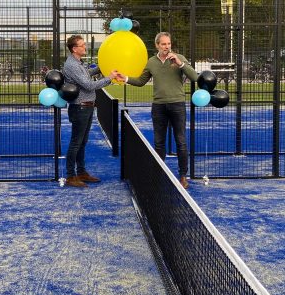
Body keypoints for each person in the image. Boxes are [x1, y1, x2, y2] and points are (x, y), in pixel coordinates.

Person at [118, 32, 198, 189]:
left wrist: (180, 63)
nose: (167, 47)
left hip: (177, 105)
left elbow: (195, 77)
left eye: (168, 44)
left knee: (180, 141)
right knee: (159, 142)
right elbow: (141, 81)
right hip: (159, 106)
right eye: (163, 44)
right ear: (157, 45)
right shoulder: (151, 62)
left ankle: (183, 176)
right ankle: (159, 174)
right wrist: (125, 78)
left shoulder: (179, 58)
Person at [63, 34, 119, 188]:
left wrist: (102, 67)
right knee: (76, 143)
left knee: (82, 142)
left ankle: (81, 172)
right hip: (80, 107)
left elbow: (87, 74)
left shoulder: (78, 63)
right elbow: (88, 85)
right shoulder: (72, 65)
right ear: (74, 49)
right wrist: (109, 78)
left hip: (86, 107)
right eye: (82, 45)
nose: (85, 47)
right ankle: (70, 176)